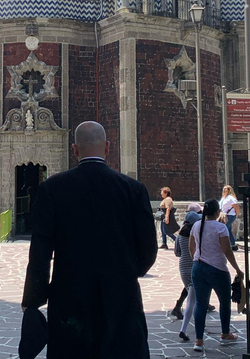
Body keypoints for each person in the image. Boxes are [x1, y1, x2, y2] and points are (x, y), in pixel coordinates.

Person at [22, 121, 158, 359]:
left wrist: (33, 299)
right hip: (121, 298)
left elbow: (40, 252)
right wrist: (125, 273)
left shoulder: (52, 189)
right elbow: (148, 248)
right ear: (107, 147)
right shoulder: (134, 189)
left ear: (74, 150)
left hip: (69, 298)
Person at [189, 199, 244, 353]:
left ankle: (199, 340)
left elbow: (191, 247)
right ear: (217, 211)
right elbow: (227, 250)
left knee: (201, 304)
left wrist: (197, 260)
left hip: (198, 268)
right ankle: (225, 333)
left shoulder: (196, 225)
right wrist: (237, 269)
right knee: (224, 301)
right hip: (218, 269)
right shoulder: (221, 228)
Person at [173, 211, 201, 341]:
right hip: (195, 266)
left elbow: (177, 252)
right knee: (194, 300)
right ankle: (195, 328)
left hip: (183, 267)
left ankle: (185, 328)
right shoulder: (196, 234)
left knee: (192, 296)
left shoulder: (180, 235)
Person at [219, 185, 241, 251]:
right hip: (224, 215)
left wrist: (236, 214)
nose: (224, 190)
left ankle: (228, 243)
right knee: (228, 229)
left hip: (230, 215)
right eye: (223, 189)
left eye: (226, 189)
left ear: (229, 190)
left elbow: (236, 207)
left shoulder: (230, 198)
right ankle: (232, 243)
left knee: (224, 228)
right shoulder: (223, 198)